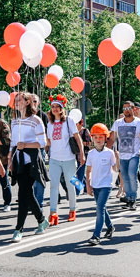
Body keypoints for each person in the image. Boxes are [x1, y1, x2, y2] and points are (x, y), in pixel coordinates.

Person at [9, 92, 49, 243]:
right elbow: (13, 143)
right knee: (26, 193)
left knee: (23, 193)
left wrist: (25, 145)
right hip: (18, 160)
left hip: (31, 161)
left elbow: (43, 142)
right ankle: (41, 219)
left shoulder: (36, 120)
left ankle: (18, 229)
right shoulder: (14, 121)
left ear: (27, 102)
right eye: (15, 100)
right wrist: (10, 161)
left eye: (19, 100)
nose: (16, 102)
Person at [45, 94, 85, 226]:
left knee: (70, 185)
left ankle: (72, 210)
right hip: (54, 159)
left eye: (58, 107)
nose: (55, 109)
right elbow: (49, 141)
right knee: (53, 186)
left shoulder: (69, 121)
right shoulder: (49, 123)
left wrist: (82, 154)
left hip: (68, 159)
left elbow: (77, 138)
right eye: (53, 107)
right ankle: (53, 213)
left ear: (62, 108)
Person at [110, 101, 140, 211]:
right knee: (125, 177)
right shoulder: (118, 123)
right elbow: (112, 138)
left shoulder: (139, 123)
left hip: (135, 154)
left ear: (133, 109)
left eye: (128, 108)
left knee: (132, 175)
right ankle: (129, 198)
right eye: (124, 108)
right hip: (122, 154)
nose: (126, 110)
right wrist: (106, 152)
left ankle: (133, 199)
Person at [85, 123, 118, 245]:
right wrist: (88, 185)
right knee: (102, 208)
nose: (98, 140)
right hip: (95, 185)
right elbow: (88, 171)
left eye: (101, 137)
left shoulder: (110, 153)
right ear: (92, 139)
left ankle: (96, 235)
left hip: (106, 185)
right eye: (96, 137)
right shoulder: (91, 154)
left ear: (105, 138)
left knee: (99, 208)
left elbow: (115, 169)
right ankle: (110, 227)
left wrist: (118, 160)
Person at [31, 94, 49, 208]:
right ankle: (32, 201)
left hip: (39, 149)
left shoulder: (42, 115)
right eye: (30, 101)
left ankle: (39, 202)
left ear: (38, 103)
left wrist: (46, 148)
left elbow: (47, 133)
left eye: (35, 101)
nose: (32, 103)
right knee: (30, 177)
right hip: (26, 150)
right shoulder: (24, 115)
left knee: (39, 176)